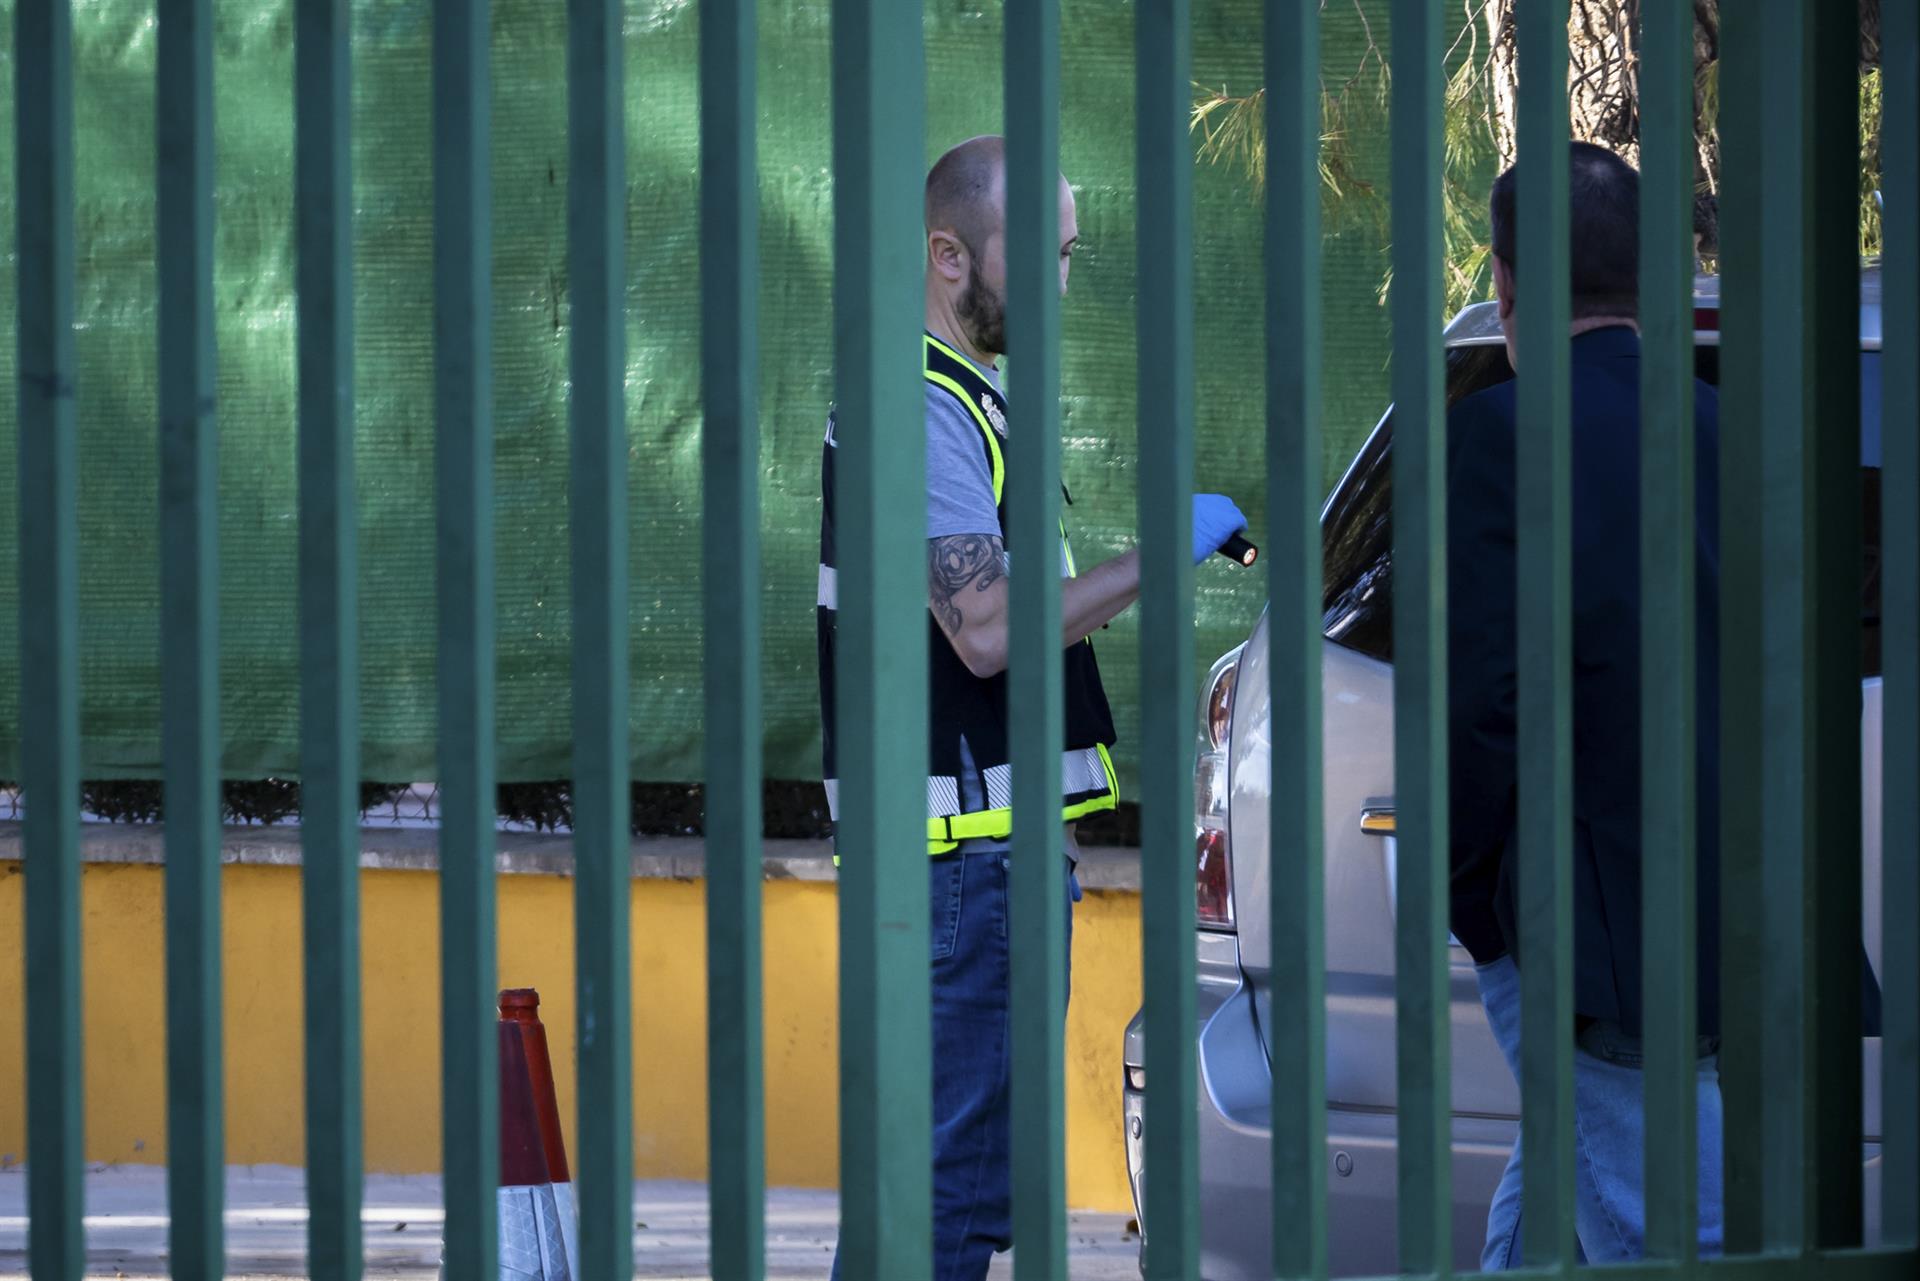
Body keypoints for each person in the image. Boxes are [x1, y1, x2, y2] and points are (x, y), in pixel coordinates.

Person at [814, 134, 1248, 1281]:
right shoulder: (918, 408)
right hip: (962, 875)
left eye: (1069, 253)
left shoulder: (963, 400)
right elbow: (992, 630)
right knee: (948, 1207)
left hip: (973, 871)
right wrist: (1164, 550)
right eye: (1039, 255)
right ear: (949, 254)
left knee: (944, 1195)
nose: (1060, 283)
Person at [1444, 142, 1724, 1266]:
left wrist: (1479, 904)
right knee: (1563, 1199)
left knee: (1672, 1242)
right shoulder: (1726, 428)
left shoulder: (1504, 434)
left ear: (1506, 287)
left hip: (1590, 937)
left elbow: (1481, 702)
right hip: (1729, 923)